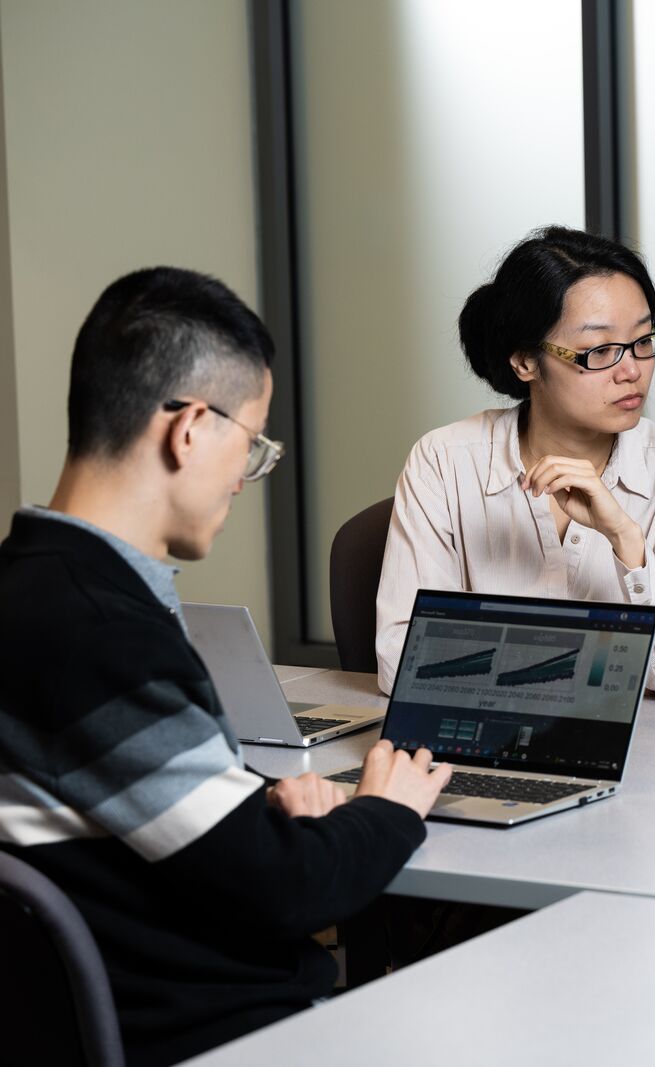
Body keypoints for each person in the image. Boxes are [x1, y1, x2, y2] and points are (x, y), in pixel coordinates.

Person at [0, 268, 453, 1065]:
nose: (246, 477)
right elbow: (288, 890)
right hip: (211, 1032)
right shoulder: (97, 630)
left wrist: (256, 807)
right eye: (252, 442)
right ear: (190, 429)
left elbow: (126, 808)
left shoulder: (31, 585)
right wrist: (386, 808)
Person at [375, 226, 655, 701]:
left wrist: (628, 542)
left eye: (644, 341)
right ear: (525, 362)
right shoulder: (445, 461)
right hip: (472, 743)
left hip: (642, 756)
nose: (632, 370)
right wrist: (596, 667)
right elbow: (401, 658)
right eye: (600, 351)